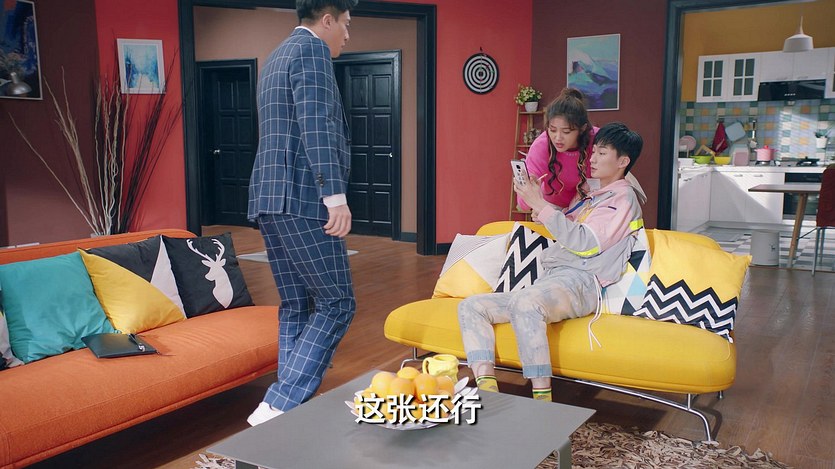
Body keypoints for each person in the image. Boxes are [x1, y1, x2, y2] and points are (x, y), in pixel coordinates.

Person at [458, 122, 644, 402]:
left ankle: (542, 399)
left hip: (583, 282)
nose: (592, 159)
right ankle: (487, 389)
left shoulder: (623, 198)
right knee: (472, 306)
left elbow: (586, 243)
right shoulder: (592, 194)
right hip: (554, 280)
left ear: (622, 161)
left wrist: (542, 207)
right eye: (594, 151)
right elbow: (569, 227)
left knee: (526, 302)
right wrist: (543, 205)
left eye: (602, 153)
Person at [246, 0, 358, 426]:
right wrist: (335, 196)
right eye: (345, 24)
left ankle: (283, 413)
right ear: (327, 20)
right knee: (337, 302)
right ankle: (279, 403)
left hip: (269, 198)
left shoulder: (277, 56)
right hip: (303, 198)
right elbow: (317, 125)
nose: (347, 34)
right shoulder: (311, 51)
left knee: (296, 304)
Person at [517, 88, 596, 214]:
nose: (558, 138)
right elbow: (522, 205)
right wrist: (530, 190)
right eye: (552, 130)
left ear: (582, 129)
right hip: (554, 208)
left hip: (590, 205)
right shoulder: (542, 145)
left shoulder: (598, 140)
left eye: (566, 132)